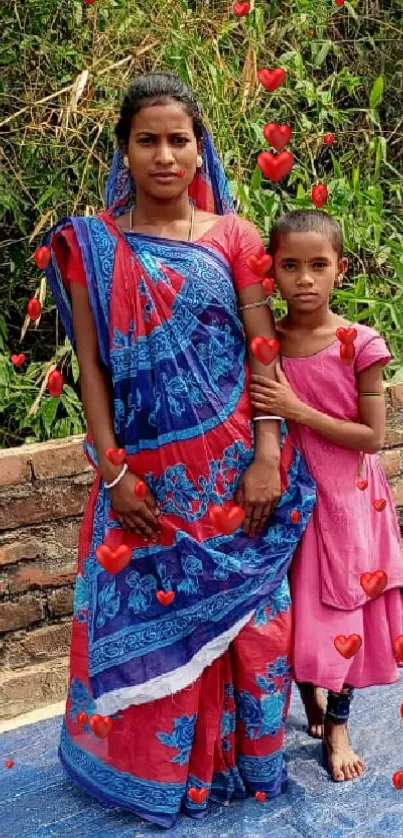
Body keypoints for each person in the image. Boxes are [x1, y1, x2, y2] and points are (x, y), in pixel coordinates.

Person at [42, 73, 315, 828]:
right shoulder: (89, 246)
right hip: (145, 475)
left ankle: (242, 766)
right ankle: (162, 777)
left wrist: (267, 452)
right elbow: (92, 365)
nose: (164, 155)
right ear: (124, 151)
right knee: (150, 610)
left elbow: (262, 351)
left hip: (231, 465)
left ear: (201, 150)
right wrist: (113, 469)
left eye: (178, 140)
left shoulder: (236, 237)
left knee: (255, 622)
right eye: (147, 140)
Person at [250, 209, 403, 783]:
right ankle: (309, 702)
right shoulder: (265, 343)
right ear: (272, 272)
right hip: (289, 501)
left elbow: (372, 436)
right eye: (291, 266)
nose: (305, 279)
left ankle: (338, 724)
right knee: (291, 608)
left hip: (348, 504)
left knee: (343, 609)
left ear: (341, 268)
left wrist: (299, 411)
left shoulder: (358, 344)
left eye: (319, 265)